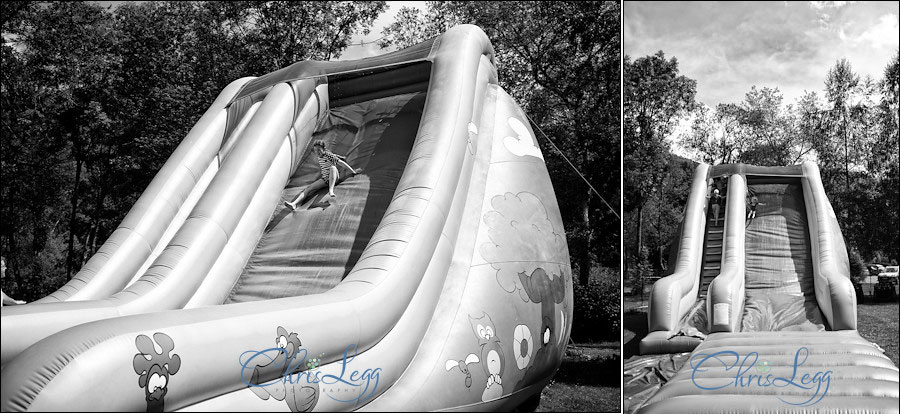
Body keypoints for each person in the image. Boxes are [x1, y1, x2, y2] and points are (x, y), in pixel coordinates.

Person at [283, 139, 362, 210]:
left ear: (323, 149)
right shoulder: (319, 156)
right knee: (309, 188)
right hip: (325, 179)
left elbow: (341, 163)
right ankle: (294, 204)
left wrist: (353, 171)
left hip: (334, 177)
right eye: (315, 150)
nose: (317, 152)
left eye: (318, 150)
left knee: (332, 168)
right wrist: (338, 156)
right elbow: (333, 155)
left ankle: (331, 190)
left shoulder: (328, 155)